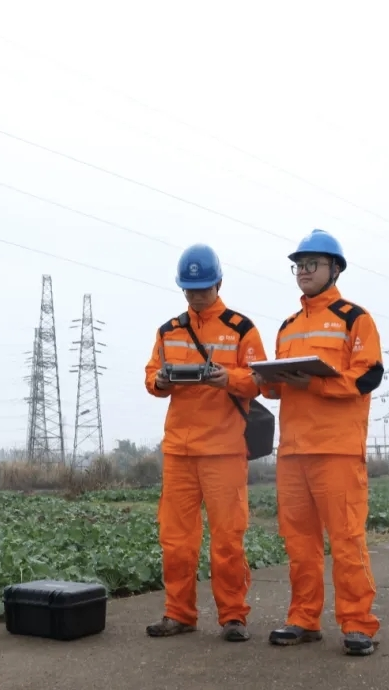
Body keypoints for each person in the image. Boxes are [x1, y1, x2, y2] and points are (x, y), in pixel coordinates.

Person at [256, 228, 385, 657]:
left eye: (312, 264)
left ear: (335, 269)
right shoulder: (288, 326)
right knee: (299, 542)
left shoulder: (354, 318)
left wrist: (314, 384)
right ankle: (303, 618)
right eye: (298, 265)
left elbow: (367, 376)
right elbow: (279, 391)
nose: (303, 271)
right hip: (293, 452)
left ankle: (358, 624)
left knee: (346, 540)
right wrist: (267, 381)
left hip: (337, 450)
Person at [143, 243, 269, 641]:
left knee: (228, 538)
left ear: (219, 284)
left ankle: (233, 616)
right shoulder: (169, 330)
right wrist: (160, 381)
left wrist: (227, 378)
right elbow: (151, 376)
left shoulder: (241, 328)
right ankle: (179, 614)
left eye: (202, 289)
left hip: (224, 451)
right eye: (190, 290)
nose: (196, 296)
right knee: (175, 541)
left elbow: (261, 380)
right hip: (180, 451)